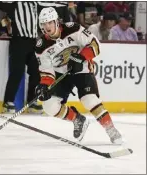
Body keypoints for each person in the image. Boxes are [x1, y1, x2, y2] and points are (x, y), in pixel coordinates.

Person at [35, 7, 123, 144]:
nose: (47, 27)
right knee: (49, 106)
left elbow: (95, 45)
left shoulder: (73, 29)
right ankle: (77, 119)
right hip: (61, 74)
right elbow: (47, 72)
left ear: (56, 21)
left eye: (50, 22)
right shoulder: (41, 47)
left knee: (89, 100)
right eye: (44, 24)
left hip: (81, 69)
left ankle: (110, 129)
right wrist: (44, 86)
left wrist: (81, 57)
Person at [0, 2, 70, 114]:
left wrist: (64, 3)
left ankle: (31, 102)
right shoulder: (15, 3)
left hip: (33, 42)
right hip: (18, 41)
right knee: (17, 72)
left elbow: (53, 4)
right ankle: (8, 102)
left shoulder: (35, 3)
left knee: (36, 72)